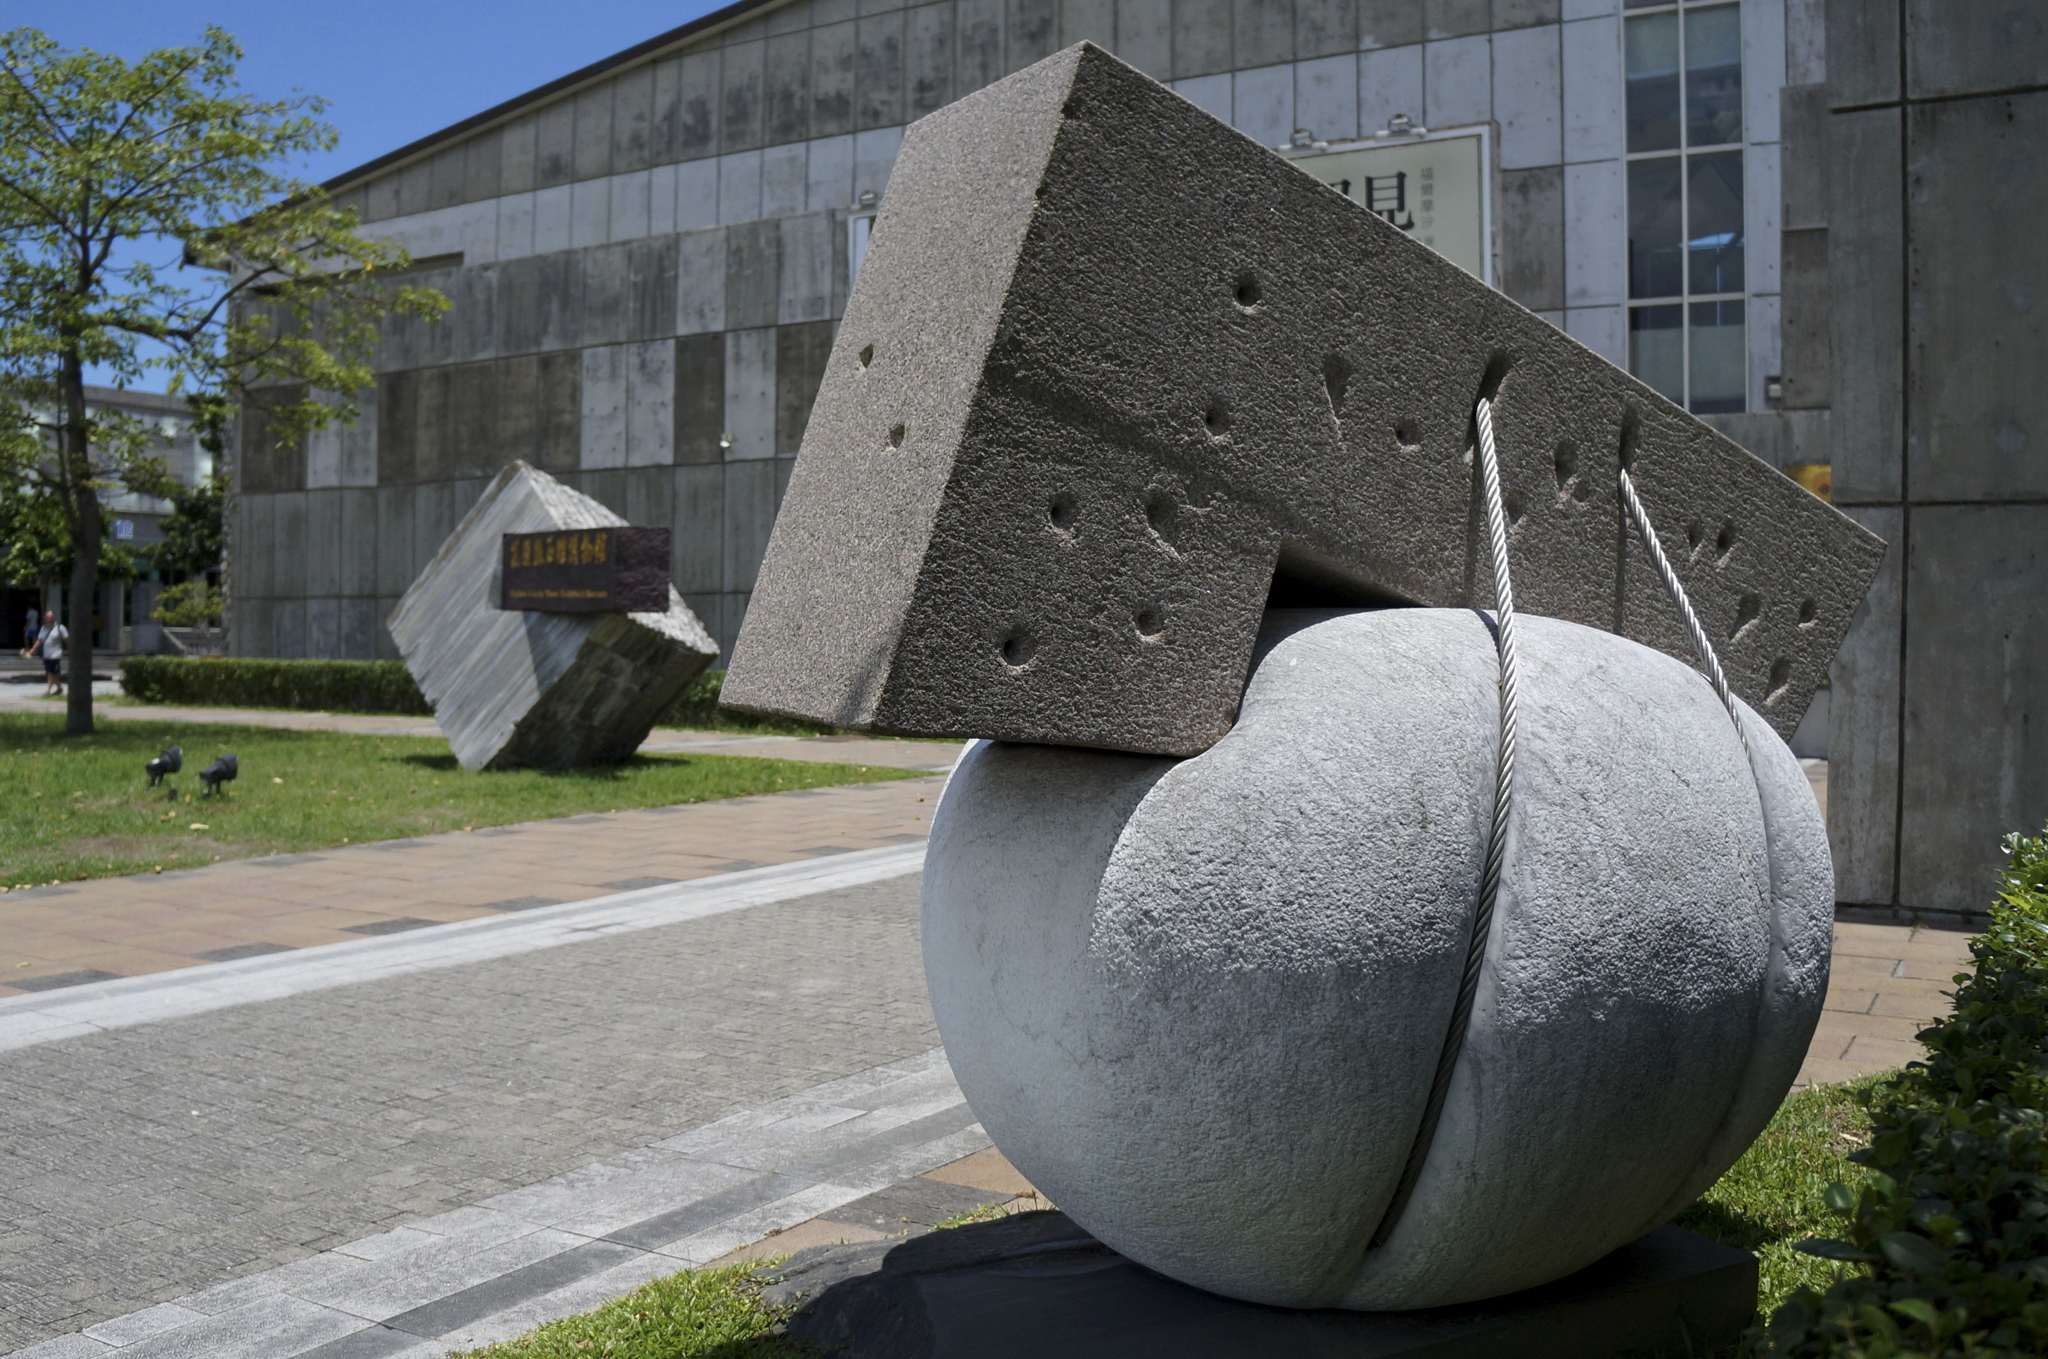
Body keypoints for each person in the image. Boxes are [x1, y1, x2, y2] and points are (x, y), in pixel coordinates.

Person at [35, 610, 66, 697]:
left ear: (54, 617)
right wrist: (32, 650)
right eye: (46, 617)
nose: (47, 619)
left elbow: (66, 640)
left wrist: (69, 650)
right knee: (53, 673)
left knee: (51, 672)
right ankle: (59, 687)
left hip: (55, 654)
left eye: (49, 617)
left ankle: (48, 690)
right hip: (46, 654)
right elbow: (39, 641)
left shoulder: (60, 628)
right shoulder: (43, 628)